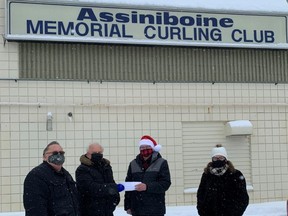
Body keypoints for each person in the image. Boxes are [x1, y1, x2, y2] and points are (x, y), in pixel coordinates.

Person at [23, 141, 80, 216]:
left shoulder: (66, 175)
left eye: (61, 153)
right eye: (55, 153)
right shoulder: (36, 176)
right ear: (44, 157)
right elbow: (35, 209)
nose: (59, 155)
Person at [124, 135, 171, 216]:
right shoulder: (133, 163)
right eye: (142, 147)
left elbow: (165, 183)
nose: (144, 149)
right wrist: (127, 205)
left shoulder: (161, 163)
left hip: (155, 209)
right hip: (137, 209)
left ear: (152, 148)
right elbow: (128, 186)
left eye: (147, 147)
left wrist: (147, 187)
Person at [197, 144, 249, 216]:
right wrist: (202, 211)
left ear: (225, 159)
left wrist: (235, 213)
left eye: (221, 158)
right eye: (215, 158)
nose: (218, 160)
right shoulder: (206, 175)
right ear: (212, 159)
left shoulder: (235, 174)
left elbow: (243, 197)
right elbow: (201, 194)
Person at [75, 143, 120, 216]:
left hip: (107, 211)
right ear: (87, 154)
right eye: (94, 153)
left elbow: (111, 182)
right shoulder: (82, 169)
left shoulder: (106, 167)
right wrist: (111, 188)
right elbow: (90, 188)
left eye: (99, 152)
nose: (97, 154)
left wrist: (115, 199)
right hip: (89, 212)